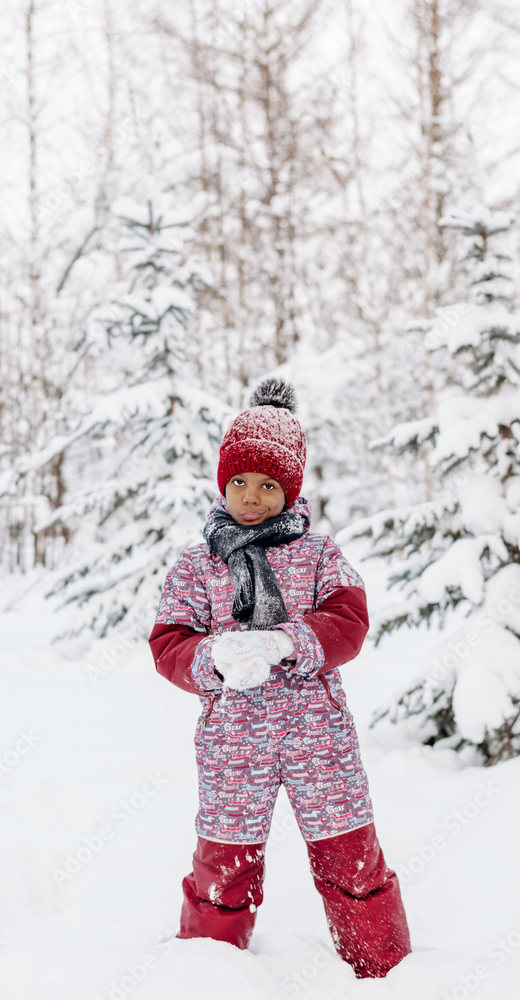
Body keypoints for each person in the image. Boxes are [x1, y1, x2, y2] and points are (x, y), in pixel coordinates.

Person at [148, 377, 412, 979]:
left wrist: (285, 641)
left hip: (319, 737)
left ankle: (387, 973)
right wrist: (213, 658)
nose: (251, 496)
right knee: (224, 865)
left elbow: (349, 619)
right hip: (233, 742)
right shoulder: (197, 563)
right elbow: (169, 642)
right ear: (223, 481)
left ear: (290, 491)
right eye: (240, 481)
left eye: (269, 485)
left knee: (350, 857)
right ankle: (207, 973)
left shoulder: (319, 554)